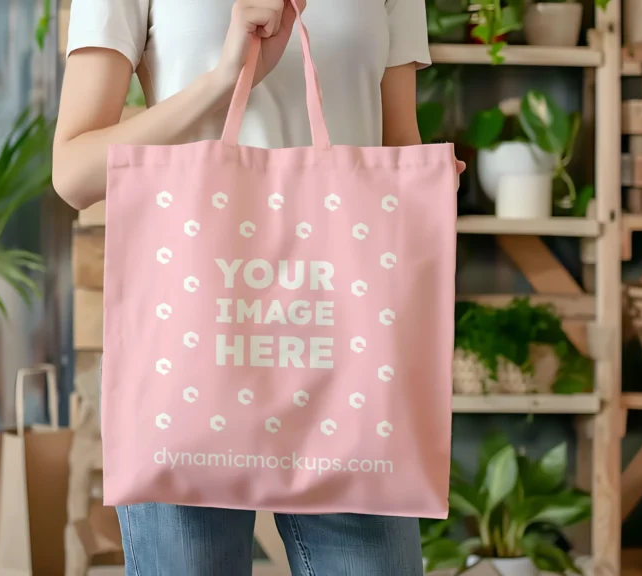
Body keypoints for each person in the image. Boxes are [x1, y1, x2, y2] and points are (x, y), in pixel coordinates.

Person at [53, 0, 434, 574]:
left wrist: (429, 196)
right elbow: (74, 172)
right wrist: (222, 81)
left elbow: (399, 144)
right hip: (188, 341)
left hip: (346, 349)